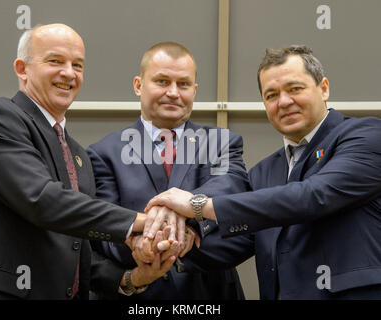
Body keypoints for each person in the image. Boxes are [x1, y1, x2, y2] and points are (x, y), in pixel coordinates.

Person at [145, 45, 381, 299]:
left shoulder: (365, 135)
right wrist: (171, 241)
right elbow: (239, 242)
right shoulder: (263, 172)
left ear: (323, 88)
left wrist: (199, 205)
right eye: (271, 95)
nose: (284, 102)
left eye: (294, 89)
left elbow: (313, 196)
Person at [0, 23, 154, 300]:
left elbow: (75, 246)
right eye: (55, 61)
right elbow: (42, 200)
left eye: (78, 65)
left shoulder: (78, 154)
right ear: (22, 69)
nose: (69, 73)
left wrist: (130, 278)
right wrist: (142, 222)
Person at [87, 41, 250, 300]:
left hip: (208, 294)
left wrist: (185, 214)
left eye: (183, 84)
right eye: (162, 81)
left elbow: (231, 187)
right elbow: (102, 230)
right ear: (138, 86)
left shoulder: (222, 143)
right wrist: (142, 244)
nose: (173, 92)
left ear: (194, 90)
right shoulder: (102, 153)